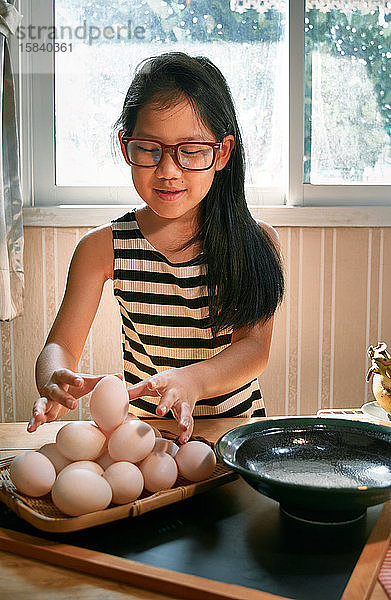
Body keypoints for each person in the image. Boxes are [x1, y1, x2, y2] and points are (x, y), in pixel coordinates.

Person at [27, 52, 284, 444]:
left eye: (191, 150)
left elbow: (254, 350)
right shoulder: (103, 247)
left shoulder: (256, 241)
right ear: (125, 145)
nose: (168, 170)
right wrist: (54, 377)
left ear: (223, 153)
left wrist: (192, 382)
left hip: (234, 435)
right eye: (149, 149)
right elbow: (60, 345)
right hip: (148, 437)